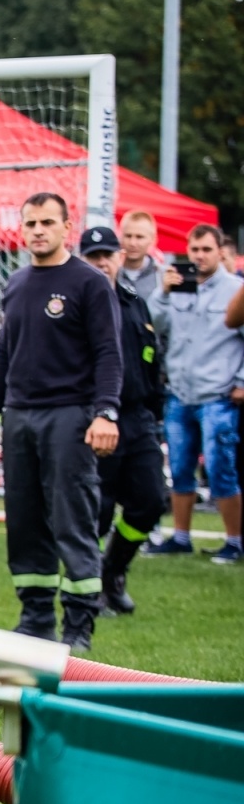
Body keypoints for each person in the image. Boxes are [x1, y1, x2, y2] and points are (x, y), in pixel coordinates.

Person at [0, 193, 121, 652]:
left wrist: (105, 412)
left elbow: (108, 355)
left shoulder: (89, 283)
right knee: (24, 520)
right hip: (18, 415)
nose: (38, 230)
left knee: (71, 518)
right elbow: (4, 352)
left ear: (66, 226)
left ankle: (78, 625)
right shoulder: (16, 283)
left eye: (47, 222)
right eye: (30, 223)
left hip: (69, 416)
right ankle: (35, 618)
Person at [77, 226, 165, 615]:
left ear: (118, 258)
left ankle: (113, 569)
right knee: (97, 510)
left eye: (107, 255)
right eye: (93, 256)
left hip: (137, 419)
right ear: (82, 260)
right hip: (94, 419)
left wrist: (155, 413)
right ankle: (90, 585)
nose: (101, 262)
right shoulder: (76, 306)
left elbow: (151, 361)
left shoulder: (133, 303)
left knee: (150, 501)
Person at [146, 223, 244, 563]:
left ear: (220, 251)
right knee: (181, 468)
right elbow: (153, 327)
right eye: (194, 250)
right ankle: (181, 536)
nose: (200, 256)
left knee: (221, 469)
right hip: (179, 393)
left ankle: (234, 541)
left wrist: (242, 382)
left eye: (206, 250)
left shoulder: (235, 289)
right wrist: (163, 292)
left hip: (218, 396)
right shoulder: (177, 289)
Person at [118, 211, 163, 302]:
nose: (132, 243)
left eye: (139, 237)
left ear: (153, 239)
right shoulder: (110, 273)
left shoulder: (162, 276)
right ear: (120, 237)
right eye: (128, 236)